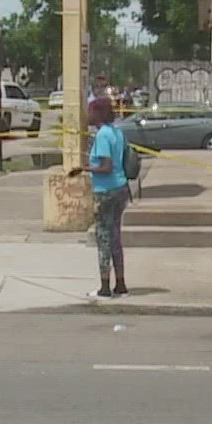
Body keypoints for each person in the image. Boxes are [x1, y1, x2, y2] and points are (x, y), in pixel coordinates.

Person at [80, 96, 130, 299]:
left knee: (103, 238)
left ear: (98, 113)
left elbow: (106, 166)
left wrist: (85, 168)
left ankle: (104, 287)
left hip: (106, 191)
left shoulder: (102, 136)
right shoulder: (118, 133)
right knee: (115, 237)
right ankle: (121, 284)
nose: (88, 115)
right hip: (121, 188)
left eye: (91, 111)